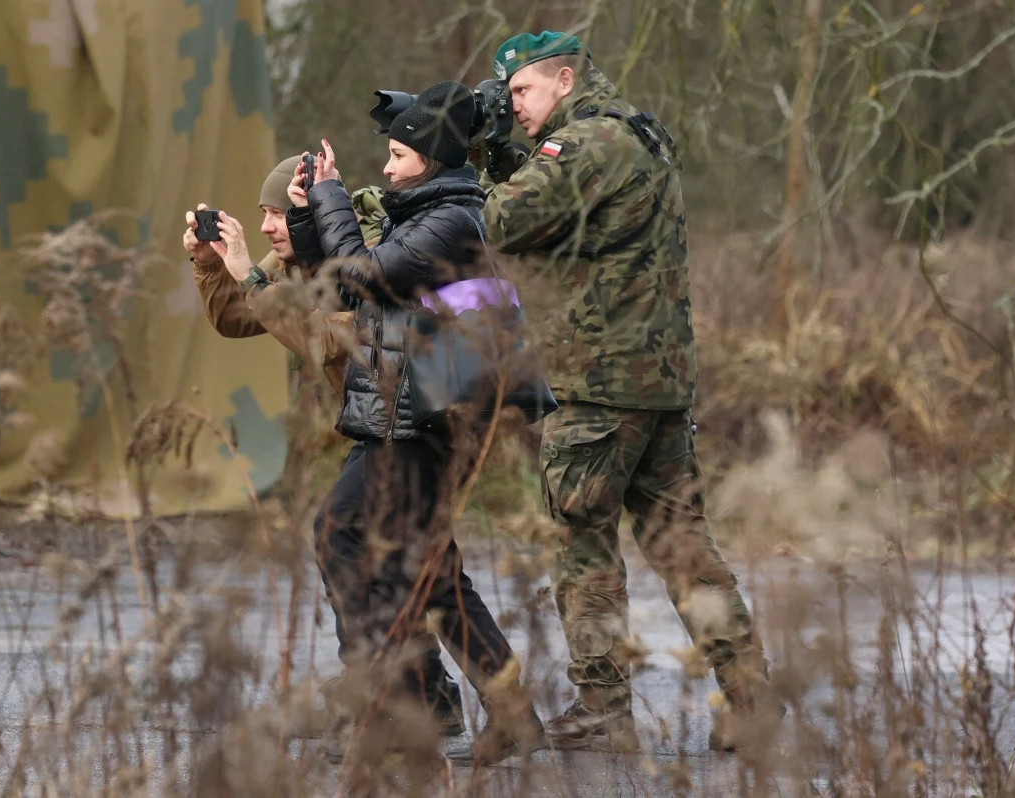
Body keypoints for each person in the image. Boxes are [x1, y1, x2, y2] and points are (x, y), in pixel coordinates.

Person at [477, 31, 783, 754]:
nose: (514, 105)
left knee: (583, 539)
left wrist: (467, 161)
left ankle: (602, 705)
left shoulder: (584, 145)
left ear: (564, 77)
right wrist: (499, 151)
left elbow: (498, 222)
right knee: (682, 545)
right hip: (658, 379)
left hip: (602, 382)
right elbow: (554, 225)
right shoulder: (634, 133)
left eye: (521, 91)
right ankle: (751, 699)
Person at [283, 81, 545, 767]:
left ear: (430, 157)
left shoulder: (452, 219)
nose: (389, 168)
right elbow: (337, 286)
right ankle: (485, 708)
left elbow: (362, 278)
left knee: (355, 539)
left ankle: (397, 706)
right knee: (425, 569)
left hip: (421, 417)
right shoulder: (421, 211)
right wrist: (311, 216)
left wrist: (332, 198)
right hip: (401, 412)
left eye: (399, 155)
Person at [182, 157, 468, 737]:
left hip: (418, 423)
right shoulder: (291, 258)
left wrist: (249, 274)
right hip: (381, 424)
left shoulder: (358, 257)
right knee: (394, 559)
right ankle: (419, 694)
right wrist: (211, 265)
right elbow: (238, 317)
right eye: (262, 216)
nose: (266, 229)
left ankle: (391, 689)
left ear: (311, 214)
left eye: (278, 216)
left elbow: (327, 343)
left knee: (355, 539)